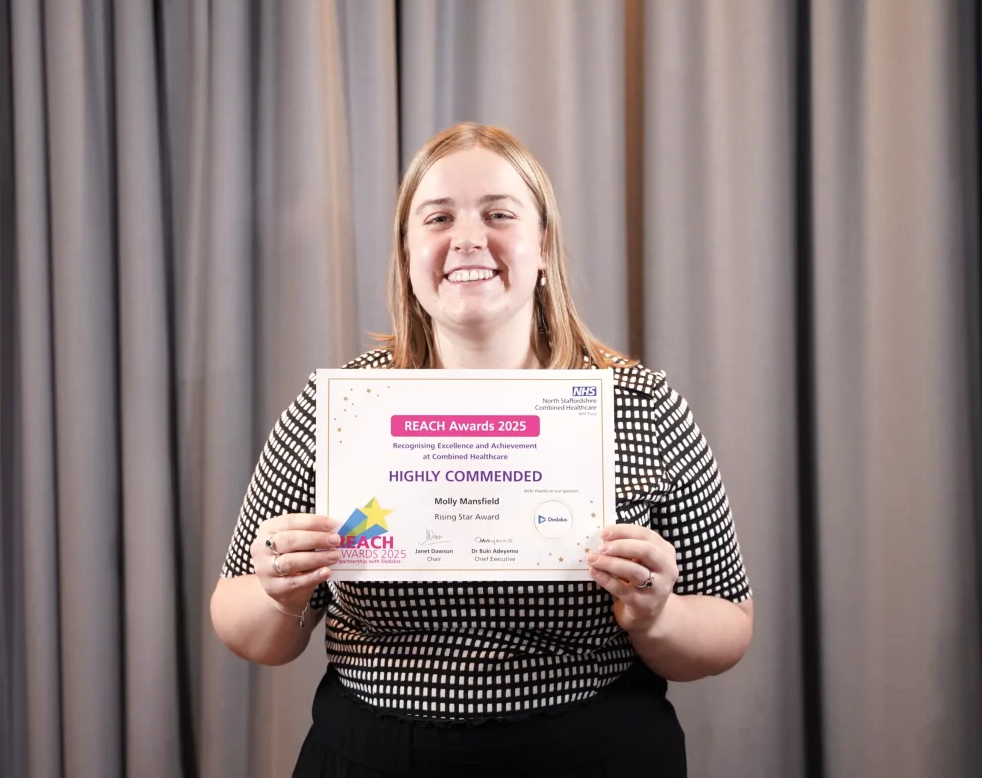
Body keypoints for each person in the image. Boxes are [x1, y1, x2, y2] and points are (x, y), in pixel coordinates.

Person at [210, 123, 754, 777]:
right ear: (407, 253)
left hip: (596, 755)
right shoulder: (341, 410)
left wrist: (657, 615)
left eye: (499, 213)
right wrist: (280, 594)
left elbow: (728, 622)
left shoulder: (638, 403)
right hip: (374, 757)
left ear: (544, 244)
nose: (468, 238)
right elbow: (241, 619)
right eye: (437, 217)